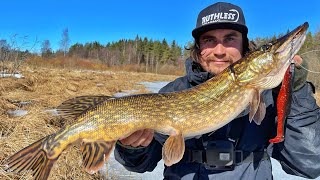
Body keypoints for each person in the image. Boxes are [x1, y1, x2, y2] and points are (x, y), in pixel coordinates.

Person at [114, 2, 320, 179]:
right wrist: (132, 147)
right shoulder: (174, 92)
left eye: (230, 38)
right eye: (209, 40)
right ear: (198, 47)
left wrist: (297, 90)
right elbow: (141, 165)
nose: (219, 51)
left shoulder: (270, 96)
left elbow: (309, 164)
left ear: (244, 46)